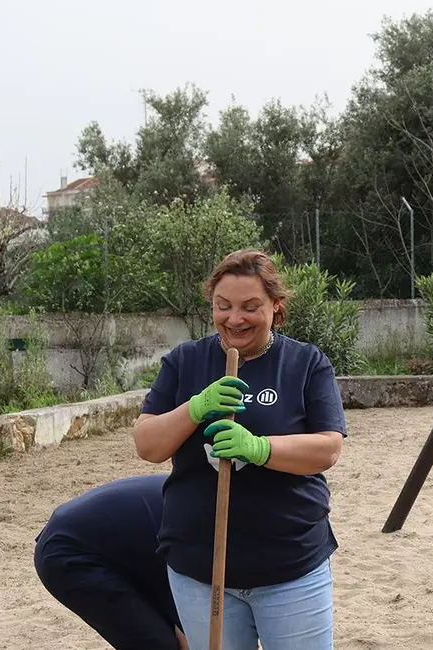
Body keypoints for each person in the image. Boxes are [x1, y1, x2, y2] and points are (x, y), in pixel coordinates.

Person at [133, 248, 347, 650]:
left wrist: (258, 447)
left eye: (251, 306)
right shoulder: (185, 361)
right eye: (223, 306)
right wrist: (194, 408)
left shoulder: (305, 363)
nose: (235, 318)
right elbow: (147, 444)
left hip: (291, 566)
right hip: (199, 568)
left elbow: (327, 449)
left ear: (276, 306)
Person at [34, 474, 189, 650]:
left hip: (118, 547)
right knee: (159, 645)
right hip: (70, 553)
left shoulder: (195, 495)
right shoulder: (198, 524)